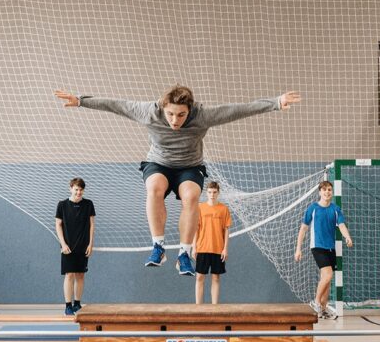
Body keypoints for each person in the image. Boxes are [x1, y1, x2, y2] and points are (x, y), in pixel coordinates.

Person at [54, 84, 300, 276]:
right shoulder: (149, 112)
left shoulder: (202, 115)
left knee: (192, 196)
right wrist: (80, 101)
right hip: (158, 163)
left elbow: (237, 110)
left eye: (181, 115)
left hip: (189, 166)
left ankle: (184, 253)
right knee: (154, 189)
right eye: (171, 114)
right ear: (163, 107)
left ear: (190, 110)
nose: (175, 120)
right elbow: (115, 105)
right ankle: (158, 247)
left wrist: (276, 103)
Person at [294, 180, 353, 320]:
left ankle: (323, 309)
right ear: (320, 192)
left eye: (329, 190)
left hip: (330, 248)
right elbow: (303, 229)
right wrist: (298, 249)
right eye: (324, 189)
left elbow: (342, 225)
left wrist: (347, 237)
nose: (327, 192)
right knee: (328, 276)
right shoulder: (313, 208)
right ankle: (315, 302)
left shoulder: (335, 209)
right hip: (317, 247)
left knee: (326, 280)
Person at [55, 177, 95, 316]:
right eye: (76, 189)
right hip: (68, 246)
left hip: (83, 245)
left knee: (80, 275)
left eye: (81, 190)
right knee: (69, 274)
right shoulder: (62, 205)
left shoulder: (88, 204)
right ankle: (68, 306)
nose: (78, 192)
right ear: (71, 188)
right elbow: (58, 225)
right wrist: (63, 244)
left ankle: (77, 304)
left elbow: (92, 225)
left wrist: (90, 244)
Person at [193, 181, 232, 304]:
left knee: (216, 278)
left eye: (214, 192)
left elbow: (226, 230)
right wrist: (194, 247)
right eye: (210, 192)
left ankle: (215, 308)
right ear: (206, 193)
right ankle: (198, 307)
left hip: (218, 249)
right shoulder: (200, 208)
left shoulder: (224, 209)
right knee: (199, 277)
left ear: (218, 193)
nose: (212, 195)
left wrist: (225, 248)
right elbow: (195, 229)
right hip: (202, 248)